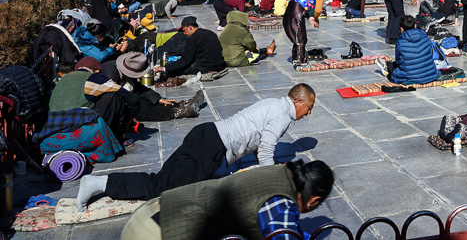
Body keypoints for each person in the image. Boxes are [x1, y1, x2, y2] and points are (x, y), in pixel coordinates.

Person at [76, 84, 317, 211]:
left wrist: (267, 162)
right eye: (309, 107)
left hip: (206, 134)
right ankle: (98, 183)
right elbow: (265, 149)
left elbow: (257, 141)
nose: (309, 113)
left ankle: (102, 183)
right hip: (210, 147)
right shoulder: (283, 115)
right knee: (160, 187)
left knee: (167, 181)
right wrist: (273, 180)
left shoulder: (274, 104)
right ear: (298, 101)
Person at [120, 158, 333, 240]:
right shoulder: (282, 205)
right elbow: (284, 233)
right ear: (313, 200)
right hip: (158, 234)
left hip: (152, 212)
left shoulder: (278, 171)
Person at [48, 56, 139, 142]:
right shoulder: (95, 77)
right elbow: (132, 98)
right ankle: (117, 138)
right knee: (114, 96)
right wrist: (132, 116)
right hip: (78, 128)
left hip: (55, 127)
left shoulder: (64, 79)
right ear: (97, 70)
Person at [101, 52, 204, 121]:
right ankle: (178, 112)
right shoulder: (109, 74)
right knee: (140, 107)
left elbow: (138, 88)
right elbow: (111, 100)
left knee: (144, 99)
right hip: (107, 107)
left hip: (121, 97)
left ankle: (179, 105)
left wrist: (158, 99)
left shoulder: (126, 68)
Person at [153, 16, 225, 77]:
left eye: (184, 30)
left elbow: (185, 61)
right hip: (219, 65)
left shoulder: (192, 38)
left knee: (172, 66)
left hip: (205, 67)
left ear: (190, 27)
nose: (184, 33)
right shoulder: (210, 32)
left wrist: (164, 68)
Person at [377, 16, 440, 85]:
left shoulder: (400, 43)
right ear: (415, 25)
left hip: (409, 76)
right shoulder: (425, 37)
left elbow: (398, 62)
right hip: (430, 75)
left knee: (393, 67)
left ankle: (387, 67)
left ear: (401, 29)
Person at [283, 0, 329, 65]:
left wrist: (311, 18)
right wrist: (316, 18)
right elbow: (318, 9)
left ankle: (296, 58)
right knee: (300, 37)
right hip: (297, 10)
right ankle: (301, 61)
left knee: (297, 35)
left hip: (291, 8)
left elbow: (306, 3)